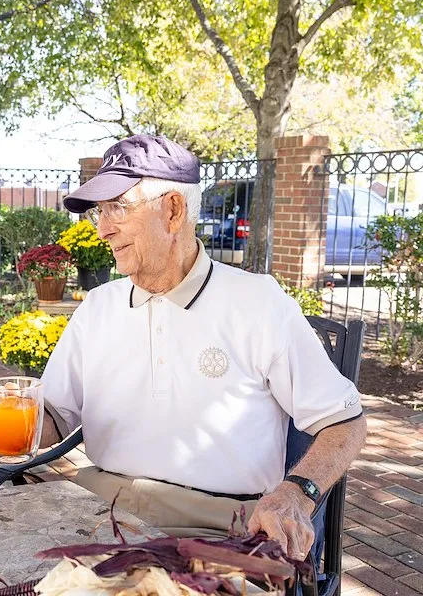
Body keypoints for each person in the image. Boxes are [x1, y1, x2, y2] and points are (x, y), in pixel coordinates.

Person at [35, 135, 367, 560]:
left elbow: (346, 423)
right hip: (98, 510)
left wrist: (296, 493)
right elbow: (53, 419)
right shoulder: (98, 307)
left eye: (118, 207)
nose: (102, 228)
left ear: (172, 211)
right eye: (101, 212)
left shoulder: (258, 303)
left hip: (221, 528)